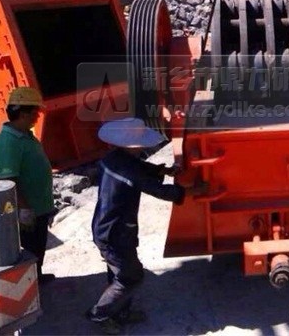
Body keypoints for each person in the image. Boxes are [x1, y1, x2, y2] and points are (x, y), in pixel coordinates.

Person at [86, 117, 207, 334]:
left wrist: (163, 171)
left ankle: (120, 312)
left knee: (117, 273)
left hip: (106, 226)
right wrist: (193, 191)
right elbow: (160, 191)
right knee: (131, 277)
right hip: (116, 233)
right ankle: (100, 314)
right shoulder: (129, 170)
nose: (143, 146)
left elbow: (139, 168)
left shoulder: (112, 158)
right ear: (132, 145)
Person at [0, 87, 55, 284]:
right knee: (29, 249)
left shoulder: (24, 134)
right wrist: (24, 209)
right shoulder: (9, 142)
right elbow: (9, 179)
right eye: (34, 112)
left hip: (39, 207)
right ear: (22, 114)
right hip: (29, 210)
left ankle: (37, 277)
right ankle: (29, 285)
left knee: (38, 247)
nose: (37, 116)